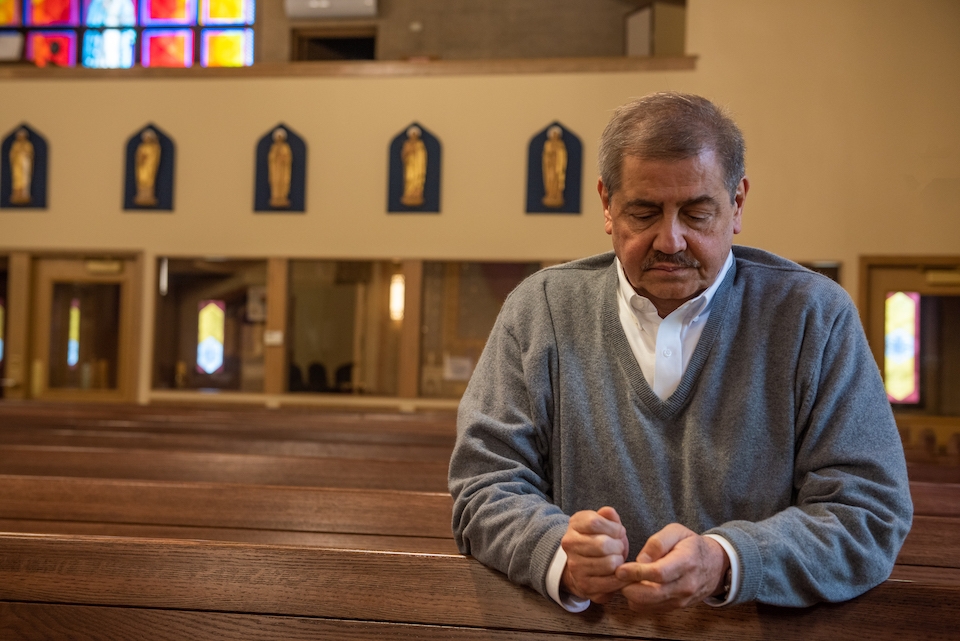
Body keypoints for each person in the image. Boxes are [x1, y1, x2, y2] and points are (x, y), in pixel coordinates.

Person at [448, 92, 912, 613]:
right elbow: (485, 485)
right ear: (606, 204)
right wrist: (560, 553)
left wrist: (726, 560)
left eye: (696, 213)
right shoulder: (541, 309)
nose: (670, 240)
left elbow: (868, 513)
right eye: (644, 213)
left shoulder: (813, 316)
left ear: (737, 204)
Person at [541, 125, 568, 208]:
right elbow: (546, 155)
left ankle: (557, 196)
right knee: (550, 181)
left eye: (556, 134)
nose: (554, 136)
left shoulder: (560, 144)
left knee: (558, 181)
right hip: (550, 167)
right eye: (553, 134)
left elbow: (562, 155)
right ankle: (550, 195)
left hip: (558, 167)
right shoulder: (547, 144)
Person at [401, 126, 427, 207]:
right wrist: (408, 151)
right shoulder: (407, 144)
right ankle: (409, 194)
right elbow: (403, 155)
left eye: (415, 135)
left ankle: (417, 195)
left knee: (418, 180)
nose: (413, 136)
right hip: (410, 166)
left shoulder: (420, 144)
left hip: (418, 167)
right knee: (409, 178)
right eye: (412, 135)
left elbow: (422, 156)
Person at [134, 129, 161, 207]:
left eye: (148, 137)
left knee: (149, 181)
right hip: (142, 167)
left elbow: (155, 157)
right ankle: (141, 196)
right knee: (141, 180)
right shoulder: (141, 147)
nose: (147, 139)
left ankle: (149, 196)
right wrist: (141, 159)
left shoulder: (154, 147)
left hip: (149, 167)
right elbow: (138, 156)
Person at [268, 128, 292, 208]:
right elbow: (271, 158)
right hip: (276, 169)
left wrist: (283, 158)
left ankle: (283, 197)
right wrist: (276, 157)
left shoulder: (285, 147)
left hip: (283, 169)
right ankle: (275, 197)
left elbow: (288, 158)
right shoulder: (274, 147)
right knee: (275, 182)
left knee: (284, 182)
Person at [9, 129, 34, 205]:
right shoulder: (15, 145)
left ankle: (24, 194)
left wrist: (25, 155)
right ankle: (17, 194)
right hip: (17, 165)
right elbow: (12, 155)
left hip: (25, 165)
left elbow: (30, 154)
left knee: (25, 180)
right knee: (16, 179)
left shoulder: (28, 145)